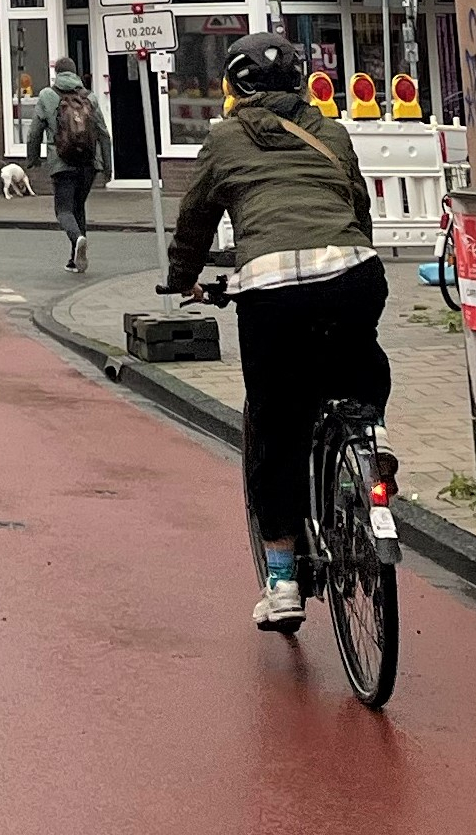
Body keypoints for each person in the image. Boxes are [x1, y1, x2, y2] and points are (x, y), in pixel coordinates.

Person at [162, 32, 393, 634]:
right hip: (354, 274)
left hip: (273, 292)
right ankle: (371, 433)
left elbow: (195, 219)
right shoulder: (334, 133)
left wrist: (182, 279)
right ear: (298, 83)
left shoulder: (223, 139)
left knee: (274, 428)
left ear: (235, 89)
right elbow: (357, 207)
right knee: (362, 359)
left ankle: (284, 582)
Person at [26, 57, 111, 274]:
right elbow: (103, 133)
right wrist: (107, 167)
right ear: (75, 73)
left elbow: (35, 132)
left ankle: (77, 238)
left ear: (57, 72)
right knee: (78, 207)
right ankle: (76, 260)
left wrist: (33, 158)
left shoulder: (47, 95)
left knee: (64, 210)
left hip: (61, 162)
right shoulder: (89, 97)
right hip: (88, 163)